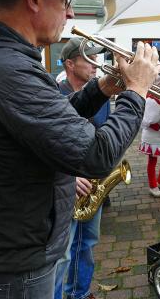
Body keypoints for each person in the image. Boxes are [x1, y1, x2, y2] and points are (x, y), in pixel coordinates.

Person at [0, 0, 159, 299]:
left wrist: (105, 87)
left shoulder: (14, 61)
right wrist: (137, 91)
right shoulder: (12, 69)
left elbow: (53, 118)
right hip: (19, 263)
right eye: (66, 0)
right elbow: (94, 154)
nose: (70, 13)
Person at [54, 38, 111, 299]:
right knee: (62, 254)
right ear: (69, 63)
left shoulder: (101, 93)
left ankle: (79, 292)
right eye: (88, 59)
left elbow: (104, 134)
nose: (95, 64)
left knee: (87, 243)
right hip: (66, 182)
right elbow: (46, 144)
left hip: (93, 181)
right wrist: (68, 174)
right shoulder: (54, 95)